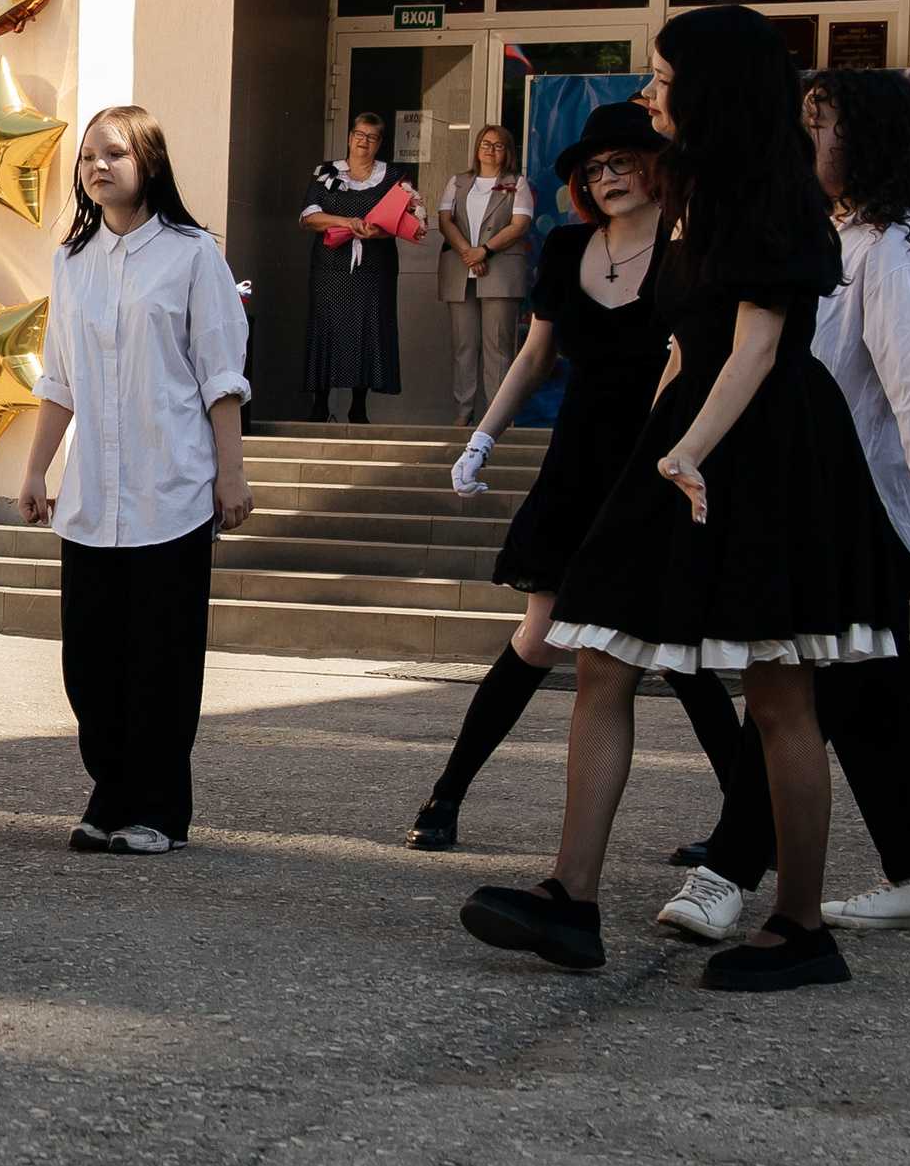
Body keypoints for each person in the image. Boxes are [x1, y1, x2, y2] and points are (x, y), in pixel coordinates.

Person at [458, 6, 910, 993]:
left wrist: (689, 452)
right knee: (598, 651)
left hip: (765, 445)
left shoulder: (772, 188)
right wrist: (653, 454)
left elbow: (757, 346)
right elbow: (682, 346)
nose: (648, 92)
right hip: (685, 440)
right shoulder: (691, 189)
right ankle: (569, 897)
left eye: (662, 78)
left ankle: (800, 928)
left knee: (779, 690)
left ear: (711, 86)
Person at [660, 67, 910, 941]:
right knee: (874, 699)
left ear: (866, 138)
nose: (802, 142)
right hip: (830, 498)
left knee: (793, 693)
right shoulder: (836, 236)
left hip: (873, 512)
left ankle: (728, 872)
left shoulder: (899, 251)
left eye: (819, 125)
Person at [411, 103, 740, 852]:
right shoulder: (565, 248)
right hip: (577, 464)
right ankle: (446, 794)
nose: (608, 177)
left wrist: (678, 454)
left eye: (622, 161)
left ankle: (750, 825)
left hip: (659, 461)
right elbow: (535, 356)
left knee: (675, 650)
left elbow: (700, 357)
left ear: (654, 167)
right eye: (594, 169)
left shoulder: (690, 246)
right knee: (537, 638)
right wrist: (483, 438)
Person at [18, 106, 252, 856]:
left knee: (162, 660)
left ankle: (155, 808)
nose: (98, 166)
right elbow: (60, 378)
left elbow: (221, 374)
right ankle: (110, 791)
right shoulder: (72, 260)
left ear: (148, 162)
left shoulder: (193, 254)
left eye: (114, 153)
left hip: (171, 488)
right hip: (93, 494)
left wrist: (231, 473)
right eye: (89, 155)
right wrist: (36, 468)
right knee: (90, 662)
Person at [301, 112, 425, 424]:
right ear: (349, 138)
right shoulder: (326, 172)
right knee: (327, 329)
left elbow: (404, 220)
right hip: (330, 267)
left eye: (371, 137)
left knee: (367, 331)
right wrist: (346, 222)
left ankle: (359, 407)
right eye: (359, 135)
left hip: (374, 268)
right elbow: (309, 216)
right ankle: (320, 405)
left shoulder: (393, 177)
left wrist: (377, 232)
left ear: (379, 143)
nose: (363, 142)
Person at [436, 125, 534, 428]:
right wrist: (469, 252)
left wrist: (485, 251)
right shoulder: (458, 181)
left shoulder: (517, 183)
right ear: (477, 148)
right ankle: (463, 412)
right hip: (460, 270)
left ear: (508, 152)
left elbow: (519, 225)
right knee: (463, 345)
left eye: (498, 145)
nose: (491, 150)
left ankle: (497, 415)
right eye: (485, 144)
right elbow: (445, 220)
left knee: (499, 347)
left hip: (500, 272)